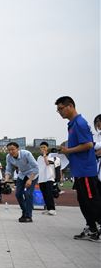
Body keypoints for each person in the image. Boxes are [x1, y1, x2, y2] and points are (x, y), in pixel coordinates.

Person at [55, 97, 101, 241]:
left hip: (86, 170)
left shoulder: (80, 123)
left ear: (70, 106)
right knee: (84, 201)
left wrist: (67, 150)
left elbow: (88, 145)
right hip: (79, 171)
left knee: (91, 201)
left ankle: (97, 227)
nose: (59, 112)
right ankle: (92, 229)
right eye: (58, 109)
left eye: (61, 108)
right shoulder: (72, 124)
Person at [4, 142, 39, 223]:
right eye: (9, 150)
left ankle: (29, 216)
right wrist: (6, 180)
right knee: (18, 194)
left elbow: (36, 167)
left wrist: (30, 179)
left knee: (28, 194)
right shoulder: (8, 157)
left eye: (13, 149)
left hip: (32, 174)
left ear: (18, 149)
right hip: (22, 174)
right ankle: (25, 212)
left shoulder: (26, 154)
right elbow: (8, 169)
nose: (11, 152)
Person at [37, 141, 56, 216]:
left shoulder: (51, 156)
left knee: (49, 194)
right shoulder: (39, 157)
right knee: (44, 194)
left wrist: (45, 155)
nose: (43, 149)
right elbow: (37, 168)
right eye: (41, 147)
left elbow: (47, 163)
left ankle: (52, 209)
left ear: (47, 148)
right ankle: (48, 208)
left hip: (49, 178)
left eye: (44, 147)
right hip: (41, 178)